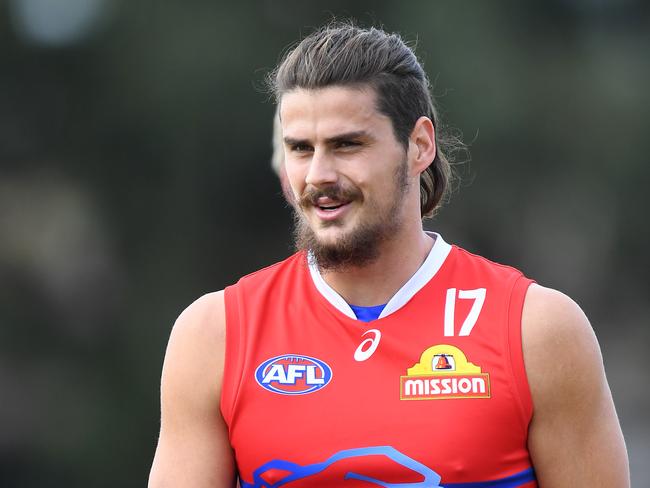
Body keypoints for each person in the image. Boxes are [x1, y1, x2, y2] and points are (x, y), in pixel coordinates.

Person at [148, 22, 629, 488]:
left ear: (419, 145)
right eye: (300, 148)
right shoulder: (215, 335)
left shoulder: (536, 331)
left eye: (347, 145)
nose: (318, 175)